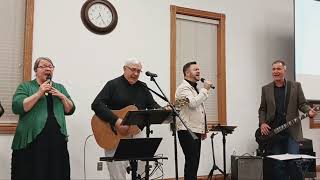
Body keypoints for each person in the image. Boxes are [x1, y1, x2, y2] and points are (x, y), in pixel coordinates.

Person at [91, 58, 161, 180]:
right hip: (114, 133)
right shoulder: (113, 85)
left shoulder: (143, 87)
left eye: (139, 71)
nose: (135, 74)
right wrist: (116, 121)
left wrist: (165, 109)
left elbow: (153, 105)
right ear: (124, 69)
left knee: (143, 162)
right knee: (117, 169)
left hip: (137, 131)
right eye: (133, 70)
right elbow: (97, 104)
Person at [11, 57, 76, 180]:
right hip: (32, 142)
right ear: (36, 70)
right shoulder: (26, 86)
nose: (47, 68)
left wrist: (62, 97)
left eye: (50, 66)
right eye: (43, 66)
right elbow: (17, 107)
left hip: (56, 142)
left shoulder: (59, 87)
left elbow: (70, 109)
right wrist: (39, 93)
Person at [258, 60, 317, 180]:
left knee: (294, 163)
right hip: (274, 133)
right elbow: (262, 109)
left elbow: (302, 104)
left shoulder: (296, 86)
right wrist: (262, 123)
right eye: (273, 69)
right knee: (277, 165)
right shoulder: (266, 89)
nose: (276, 71)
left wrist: (308, 111)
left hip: (292, 132)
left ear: (285, 70)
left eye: (278, 69)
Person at [175, 61, 213, 180]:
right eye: (195, 69)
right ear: (187, 73)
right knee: (192, 162)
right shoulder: (183, 88)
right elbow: (193, 103)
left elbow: (199, 110)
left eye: (199, 69)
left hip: (194, 129)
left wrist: (203, 128)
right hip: (186, 129)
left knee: (194, 162)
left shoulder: (193, 88)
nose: (198, 71)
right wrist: (205, 89)